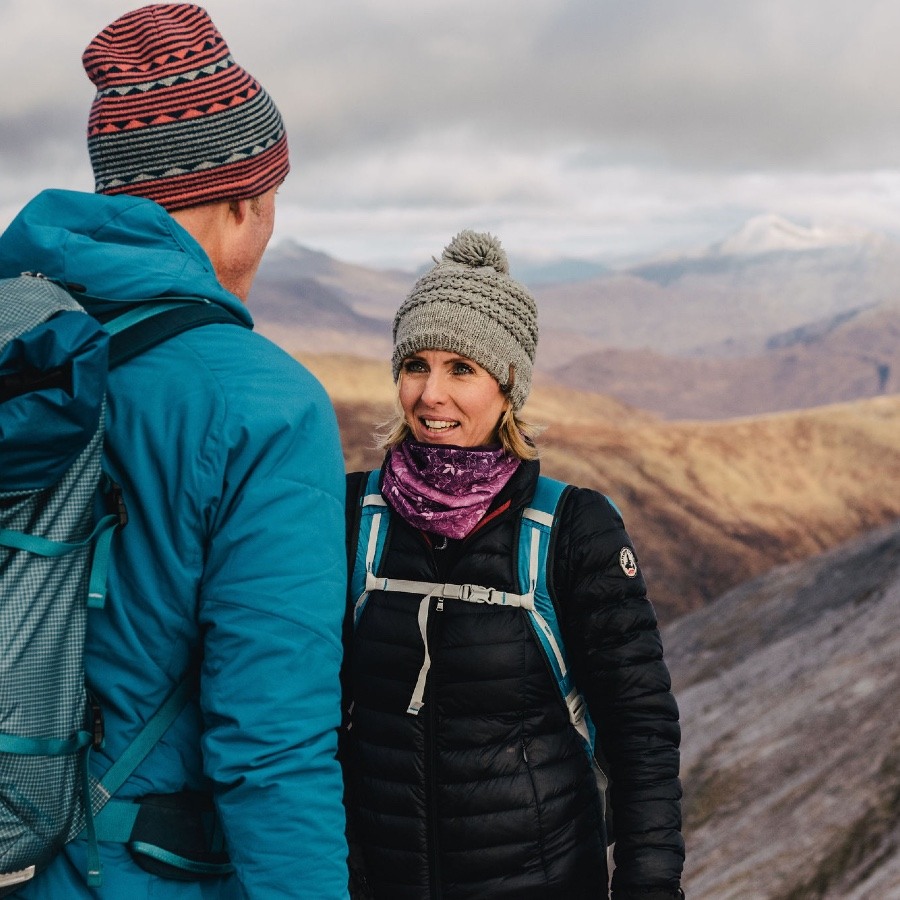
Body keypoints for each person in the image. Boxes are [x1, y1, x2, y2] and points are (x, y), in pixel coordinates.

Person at [0, 4, 348, 898]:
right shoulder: (264, 403)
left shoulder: (19, 347)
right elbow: (273, 742)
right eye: (270, 203)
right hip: (140, 871)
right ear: (242, 202)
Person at [342, 230, 685, 899]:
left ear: (508, 386)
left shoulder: (572, 529)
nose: (430, 395)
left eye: (461, 369)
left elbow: (640, 733)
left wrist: (650, 887)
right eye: (416, 365)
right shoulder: (354, 514)